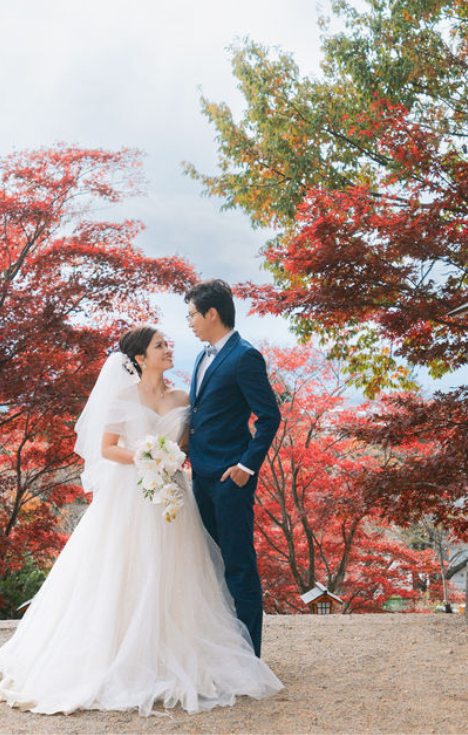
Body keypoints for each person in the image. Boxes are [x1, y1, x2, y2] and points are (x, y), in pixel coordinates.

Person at [0, 326, 282, 716]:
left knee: (179, 572)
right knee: (130, 569)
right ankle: (124, 655)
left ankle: (180, 651)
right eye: (159, 345)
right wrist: (148, 458)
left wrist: (177, 458)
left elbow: (186, 443)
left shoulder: (183, 396)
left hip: (174, 494)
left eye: (167, 343)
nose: (168, 349)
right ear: (140, 358)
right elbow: (108, 448)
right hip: (133, 495)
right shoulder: (121, 398)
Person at [184, 279, 281, 657]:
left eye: (192, 314)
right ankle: (223, 652)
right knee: (210, 567)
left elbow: (270, 417)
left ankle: (250, 657)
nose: (189, 322)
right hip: (200, 477)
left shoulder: (245, 356)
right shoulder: (201, 356)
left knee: (239, 567)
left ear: (212, 313)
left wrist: (246, 466)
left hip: (230, 480)